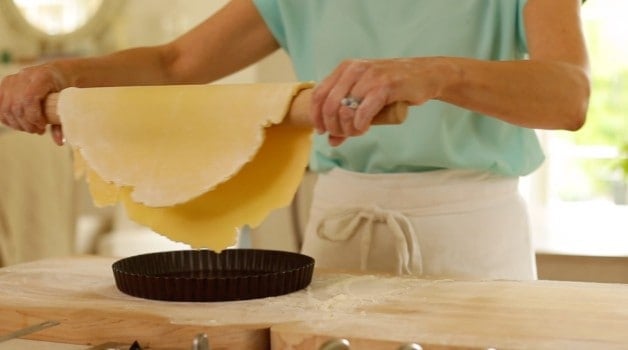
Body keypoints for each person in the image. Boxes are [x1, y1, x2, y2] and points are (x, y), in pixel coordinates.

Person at [0, 0, 590, 280]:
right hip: (338, 232)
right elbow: (175, 63)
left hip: (473, 239)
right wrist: (65, 75)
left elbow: (569, 96)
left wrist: (438, 73)